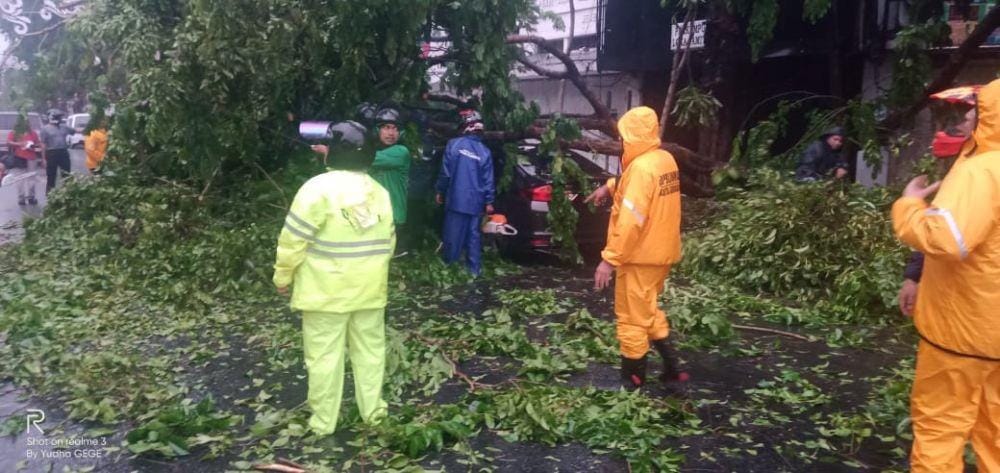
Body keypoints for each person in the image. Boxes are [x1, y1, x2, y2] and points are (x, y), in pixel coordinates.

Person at [890, 78, 1000, 472]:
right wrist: (915, 275)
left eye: (978, 108)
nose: (968, 115)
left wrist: (908, 207)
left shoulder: (982, 171)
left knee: (941, 427)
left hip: (964, 331)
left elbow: (948, 239)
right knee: (996, 433)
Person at [273, 121, 393, 437]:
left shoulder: (316, 189)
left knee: (324, 358)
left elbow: (293, 241)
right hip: (369, 292)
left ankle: (324, 423)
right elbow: (388, 244)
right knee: (370, 353)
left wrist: (282, 277)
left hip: (324, 295)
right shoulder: (380, 193)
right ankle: (374, 413)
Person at [591, 106, 687, 390]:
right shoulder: (663, 159)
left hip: (639, 256)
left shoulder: (642, 169)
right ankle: (673, 371)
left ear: (631, 137)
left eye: (623, 137)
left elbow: (631, 222)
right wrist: (609, 186)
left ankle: (632, 382)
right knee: (647, 309)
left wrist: (609, 260)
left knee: (631, 319)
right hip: (661, 253)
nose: (621, 142)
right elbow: (636, 184)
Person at [898, 103, 979, 316]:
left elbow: (943, 239)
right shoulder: (964, 173)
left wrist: (909, 204)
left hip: (970, 312)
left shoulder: (978, 178)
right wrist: (912, 278)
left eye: (967, 119)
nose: (961, 125)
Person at [435, 108, 494, 276]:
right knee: (473, 237)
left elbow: (446, 173)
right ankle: (474, 271)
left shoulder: (453, 145)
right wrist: (489, 201)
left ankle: (450, 270)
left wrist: (440, 190)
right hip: (476, 203)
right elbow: (488, 180)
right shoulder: (485, 152)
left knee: (453, 237)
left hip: (456, 200)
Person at [369, 107, 411, 255]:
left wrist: (331, 152)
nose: (391, 133)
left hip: (392, 218)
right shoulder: (374, 150)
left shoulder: (401, 152)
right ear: (377, 131)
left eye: (395, 129)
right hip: (375, 216)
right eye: (386, 128)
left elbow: (364, 159)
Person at [4, 114, 42, 206]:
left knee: (31, 179)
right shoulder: (14, 132)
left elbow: (38, 144)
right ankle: (21, 198)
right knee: (20, 179)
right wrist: (20, 144)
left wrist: (32, 146)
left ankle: (31, 198)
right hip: (19, 158)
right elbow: (8, 142)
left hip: (31, 158)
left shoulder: (33, 133)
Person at [39, 109, 75, 194]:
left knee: (66, 174)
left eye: (60, 117)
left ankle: (68, 194)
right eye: (58, 117)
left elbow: (75, 131)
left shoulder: (64, 127)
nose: (60, 119)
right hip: (51, 153)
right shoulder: (45, 129)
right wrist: (43, 159)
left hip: (63, 152)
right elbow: (43, 144)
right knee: (51, 175)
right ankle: (50, 195)